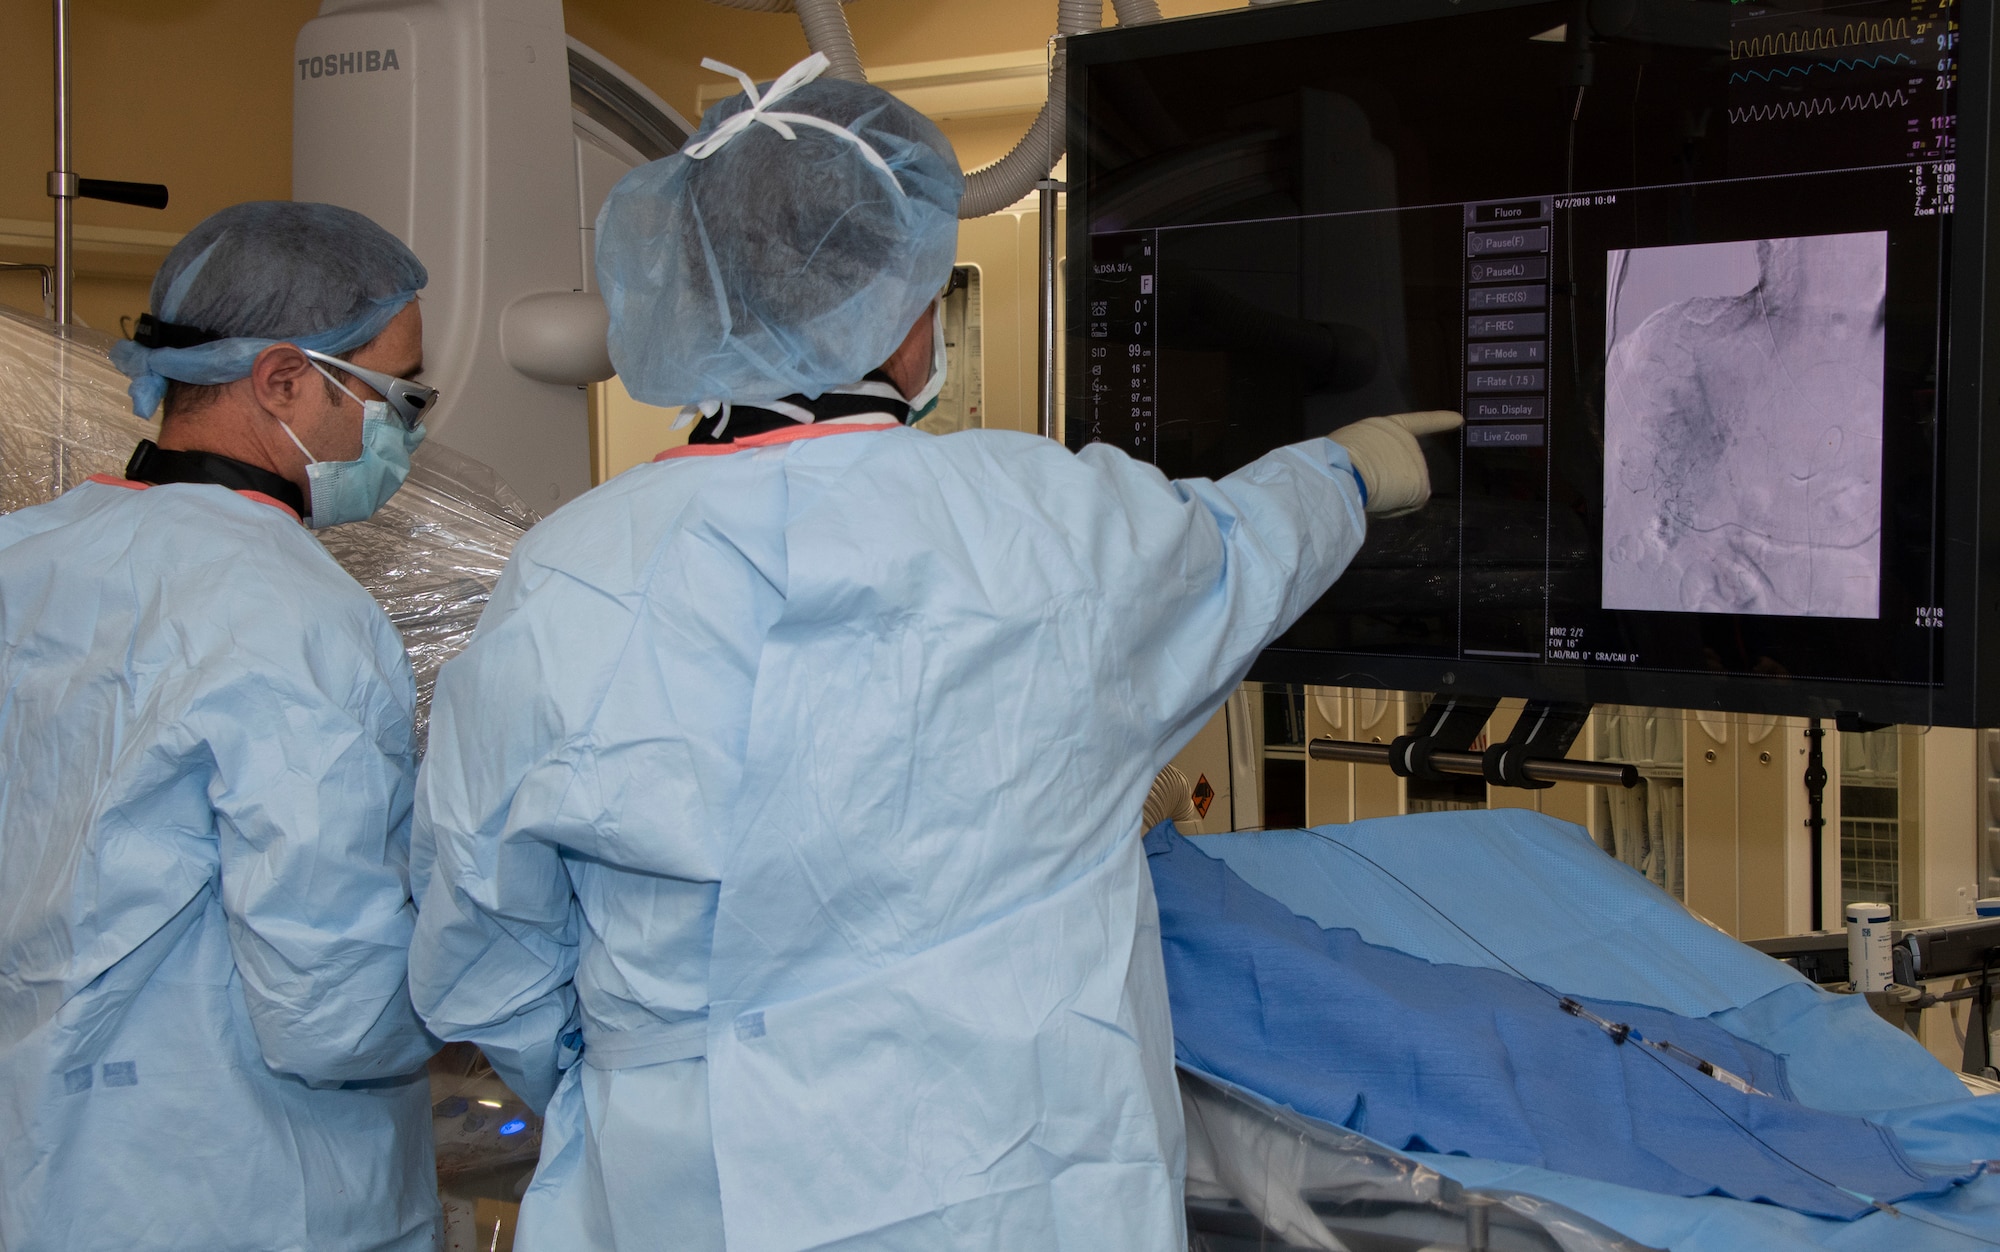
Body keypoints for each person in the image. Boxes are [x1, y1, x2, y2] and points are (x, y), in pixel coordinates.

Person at [410, 54, 1459, 1251]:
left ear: (690, 285)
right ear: (906, 310)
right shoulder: (1044, 525)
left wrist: (648, 1085)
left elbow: (482, 944)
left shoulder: (562, 575)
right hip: (1011, 1178)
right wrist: (1345, 470)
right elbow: (1232, 549)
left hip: (679, 1190)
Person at [0, 201, 442, 1252]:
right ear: (282, 378)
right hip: (243, 1185)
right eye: (397, 394)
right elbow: (329, 1004)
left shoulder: (27, 556)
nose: (406, 430)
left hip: (48, 1161)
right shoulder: (297, 615)